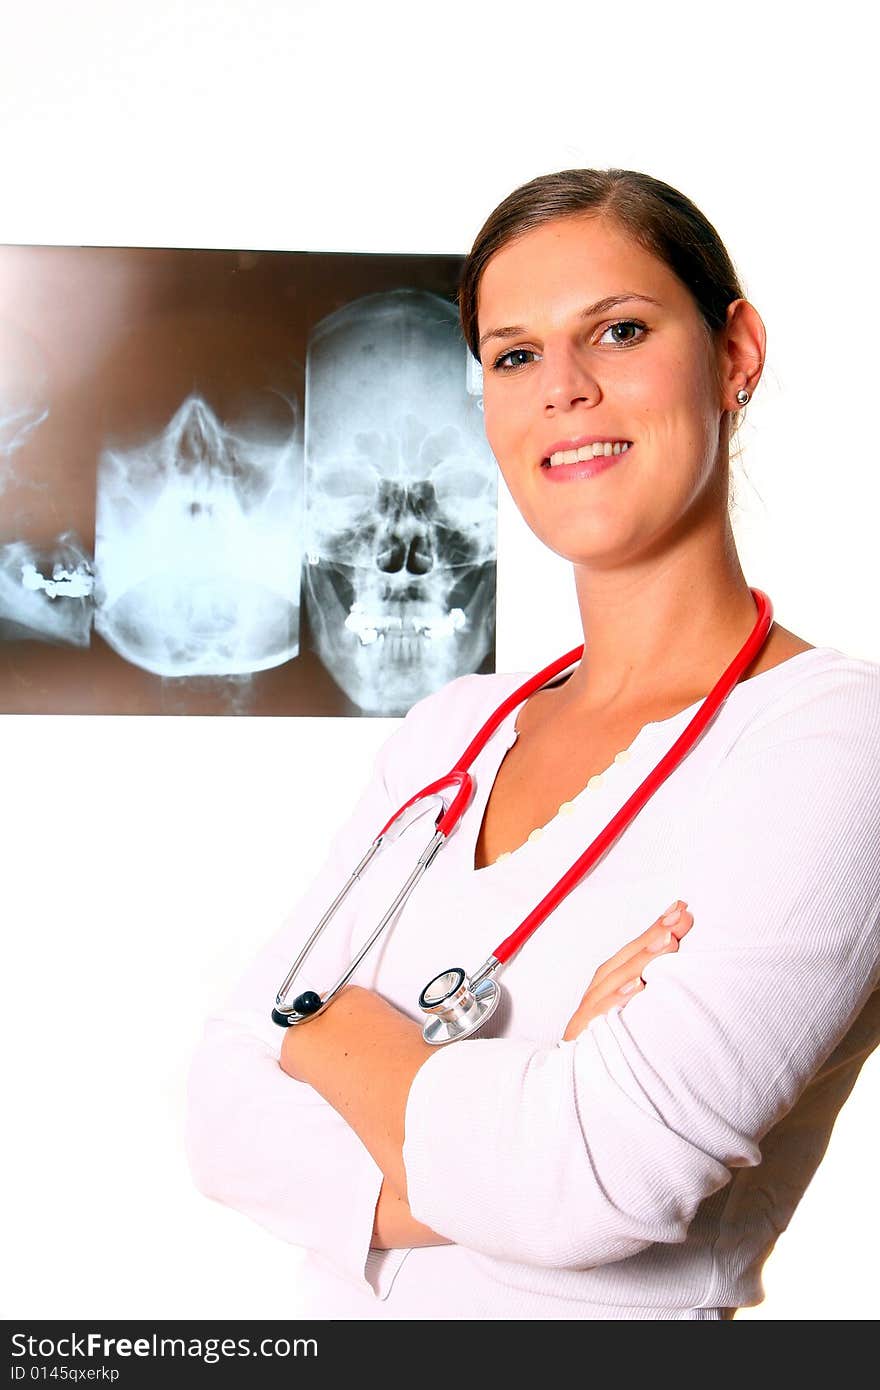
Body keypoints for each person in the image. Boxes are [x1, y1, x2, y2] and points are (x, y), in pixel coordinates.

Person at [184, 168, 880, 1320]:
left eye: (617, 330)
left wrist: (338, 1032)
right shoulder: (454, 732)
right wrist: (532, 1093)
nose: (562, 389)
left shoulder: (832, 742)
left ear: (735, 351)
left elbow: (592, 1185)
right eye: (513, 355)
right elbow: (219, 1117)